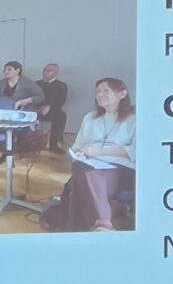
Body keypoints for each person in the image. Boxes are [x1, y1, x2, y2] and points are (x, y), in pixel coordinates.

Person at [50, 76, 137, 231]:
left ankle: (79, 228)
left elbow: (136, 151)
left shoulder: (134, 119)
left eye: (106, 91)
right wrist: (78, 154)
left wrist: (98, 152)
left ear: (122, 94)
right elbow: (77, 146)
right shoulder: (90, 118)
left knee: (81, 178)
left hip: (121, 169)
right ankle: (102, 224)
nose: (100, 95)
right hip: (89, 165)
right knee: (83, 169)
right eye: (97, 92)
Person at [36, 62, 71, 150]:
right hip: (36, 108)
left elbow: (61, 101)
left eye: (49, 70)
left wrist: (49, 106)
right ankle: (24, 142)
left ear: (55, 73)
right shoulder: (36, 84)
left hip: (52, 110)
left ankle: (55, 144)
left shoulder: (61, 85)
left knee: (61, 115)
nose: (46, 72)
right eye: (45, 70)